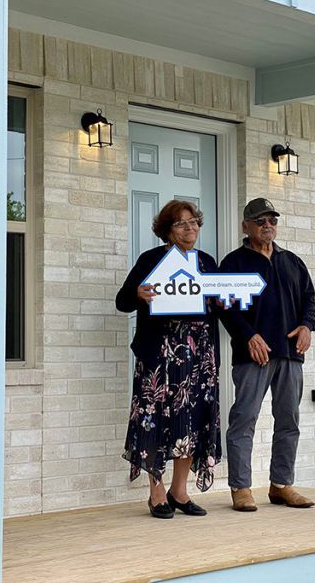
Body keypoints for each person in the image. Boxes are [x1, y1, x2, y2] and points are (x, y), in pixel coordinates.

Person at [116, 199, 221, 519]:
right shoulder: (151, 260)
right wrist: (139, 294)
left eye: (194, 223)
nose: (191, 229)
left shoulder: (206, 261)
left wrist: (227, 297)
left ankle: (180, 490)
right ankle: (156, 492)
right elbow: (123, 301)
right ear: (167, 230)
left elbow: (218, 305)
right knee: (156, 419)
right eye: (182, 224)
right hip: (159, 355)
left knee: (191, 418)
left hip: (199, 355)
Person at [219, 197, 315, 512]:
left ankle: (281, 485)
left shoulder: (292, 261)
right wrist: (248, 335)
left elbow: (308, 301)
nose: (267, 226)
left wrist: (306, 326)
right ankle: (241, 488)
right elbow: (225, 308)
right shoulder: (234, 263)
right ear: (246, 226)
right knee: (244, 419)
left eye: (272, 220)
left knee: (289, 419)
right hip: (253, 355)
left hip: (290, 354)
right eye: (260, 221)